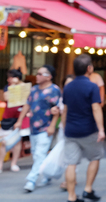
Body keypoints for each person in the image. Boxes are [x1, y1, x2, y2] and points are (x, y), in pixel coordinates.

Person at [61, 55, 105, 202]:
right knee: (95, 157)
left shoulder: (68, 87)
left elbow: (65, 110)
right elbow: (96, 108)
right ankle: (88, 189)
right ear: (89, 68)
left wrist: (64, 127)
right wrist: (101, 129)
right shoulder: (92, 86)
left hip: (71, 131)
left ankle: (71, 196)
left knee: (71, 163)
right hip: (88, 130)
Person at [15, 65, 61, 193]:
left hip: (46, 128)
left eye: (41, 74)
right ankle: (47, 175)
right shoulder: (34, 89)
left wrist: (52, 126)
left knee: (40, 154)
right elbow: (27, 105)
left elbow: (57, 109)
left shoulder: (54, 90)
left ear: (49, 77)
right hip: (33, 127)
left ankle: (31, 180)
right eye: (38, 73)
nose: (37, 76)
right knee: (36, 154)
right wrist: (19, 120)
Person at [0, 69, 26, 173]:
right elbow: (6, 97)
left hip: (19, 117)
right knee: (3, 141)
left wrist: (18, 85)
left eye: (10, 77)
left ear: (17, 78)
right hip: (7, 118)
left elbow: (27, 99)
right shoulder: (8, 87)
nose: (8, 79)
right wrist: (14, 86)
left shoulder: (24, 87)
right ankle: (0, 164)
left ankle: (13, 163)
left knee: (17, 142)